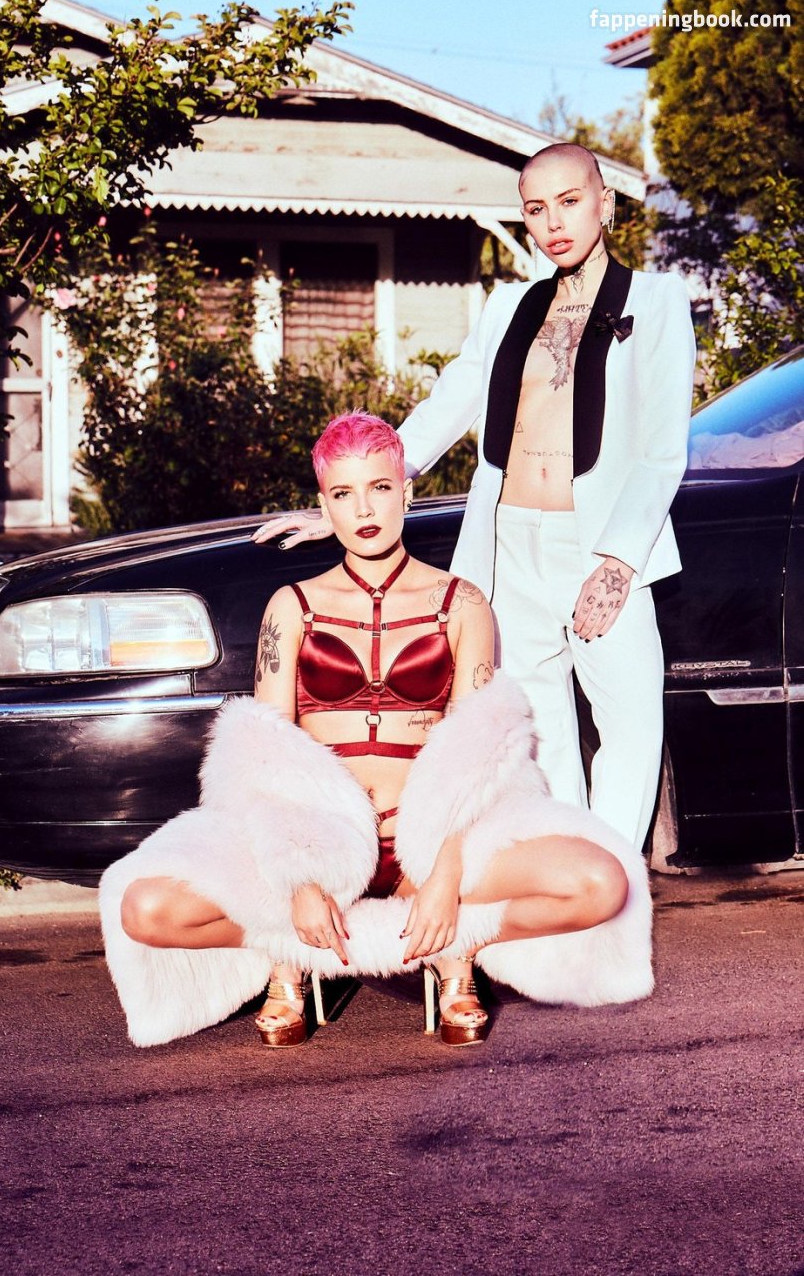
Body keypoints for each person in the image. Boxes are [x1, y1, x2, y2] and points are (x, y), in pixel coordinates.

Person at [99, 413, 654, 1052]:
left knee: (601, 885)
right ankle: (287, 949)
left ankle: (457, 941)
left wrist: (445, 877)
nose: (364, 509)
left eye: (379, 488)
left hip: (428, 842)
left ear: (406, 492)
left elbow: (476, 754)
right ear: (324, 507)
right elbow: (262, 758)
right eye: (343, 493)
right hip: (322, 843)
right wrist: (300, 882)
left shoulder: (462, 603)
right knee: (145, 909)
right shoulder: (292, 607)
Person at [253, 143, 697, 853]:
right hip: (509, 542)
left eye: (570, 201)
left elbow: (662, 448)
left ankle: (610, 883)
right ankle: (561, 882)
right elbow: (447, 405)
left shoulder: (656, 301)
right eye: (536, 209)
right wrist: (363, 489)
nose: (554, 222)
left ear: (606, 203)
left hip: (602, 544)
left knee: (632, 724)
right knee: (536, 730)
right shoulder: (508, 307)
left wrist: (618, 562)